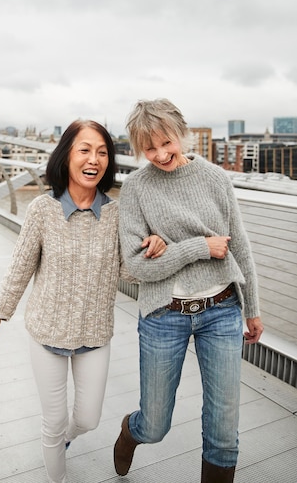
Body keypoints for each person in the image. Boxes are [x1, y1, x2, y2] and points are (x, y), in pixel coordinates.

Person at [0, 119, 135, 483]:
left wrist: (156, 248)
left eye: (102, 152)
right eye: (84, 150)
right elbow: (19, 268)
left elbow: (129, 272)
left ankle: (65, 440)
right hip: (46, 333)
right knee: (52, 422)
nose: (94, 159)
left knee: (87, 419)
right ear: (66, 156)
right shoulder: (42, 211)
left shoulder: (116, 215)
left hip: (94, 334)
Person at [113, 99, 264, 483]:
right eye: (149, 148)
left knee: (224, 428)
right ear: (138, 148)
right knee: (156, 424)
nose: (160, 154)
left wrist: (253, 309)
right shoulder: (135, 189)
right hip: (164, 314)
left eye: (167, 142)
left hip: (222, 309)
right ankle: (132, 431)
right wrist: (199, 247)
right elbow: (136, 267)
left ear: (182, 133)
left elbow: (239, 245)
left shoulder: (215, 178)